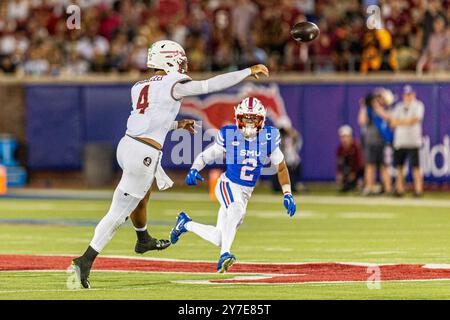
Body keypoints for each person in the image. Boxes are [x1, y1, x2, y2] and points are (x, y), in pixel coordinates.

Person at [71, 40, 270, 289]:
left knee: (143, 196)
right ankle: (85, 260)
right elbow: (210, 84)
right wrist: (247, 71)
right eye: (180, 59)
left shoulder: (139, 86)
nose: (183, 64)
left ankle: (143, 238)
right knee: (119, 211)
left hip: (128, 144)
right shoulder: (173, 84)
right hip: (143, 152)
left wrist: (178, 124)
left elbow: (149, 119)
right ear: (169, 60)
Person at [169, 97, 297, 273]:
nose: (249, 124)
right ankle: (225, 255)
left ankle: (185, 224)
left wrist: (287, 193)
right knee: (236, 210)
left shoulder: (269, 137)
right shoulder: (230, 134)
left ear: (262, 120)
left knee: (219, 237)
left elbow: (281, 168)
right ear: (238, 118)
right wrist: (194, 169)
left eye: (254, 119)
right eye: (246, 119)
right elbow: (208, 155)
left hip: (245, 192)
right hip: (227, 184)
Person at [358, 88, 394, 196]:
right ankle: (369, 188)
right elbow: (361, 121)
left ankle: (388, 189)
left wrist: (378, 109)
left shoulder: (386, 109)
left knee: (384, 166)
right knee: (370, 165)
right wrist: (363, 107)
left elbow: (389, 119)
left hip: (383, 142)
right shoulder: (368, 111)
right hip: (370, 142)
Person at [390, 85, 424, 197]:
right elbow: (393, 123)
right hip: (400, 141)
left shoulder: (418, 105)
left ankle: (418, 190)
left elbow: (415, 119)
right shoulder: (399, 106)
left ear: (413, 94)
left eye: (410, 94)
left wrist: (401, 122)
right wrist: (406, 122)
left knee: (416, 167)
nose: (408, 96)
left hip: (413, 141)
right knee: (399, 167)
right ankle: (400, 189)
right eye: (406, 94)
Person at [336, 125, 364, 192]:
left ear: (351, 137)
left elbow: (360, 163)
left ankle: (362, 183)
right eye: (343, 137)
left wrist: (354, 173)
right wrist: (339, 174)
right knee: (345, 186)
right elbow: (339, 163)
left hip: (358, 170)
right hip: (348, 170)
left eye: (346, 137)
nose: (345, 139)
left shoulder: (356, 147)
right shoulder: (340, 149)